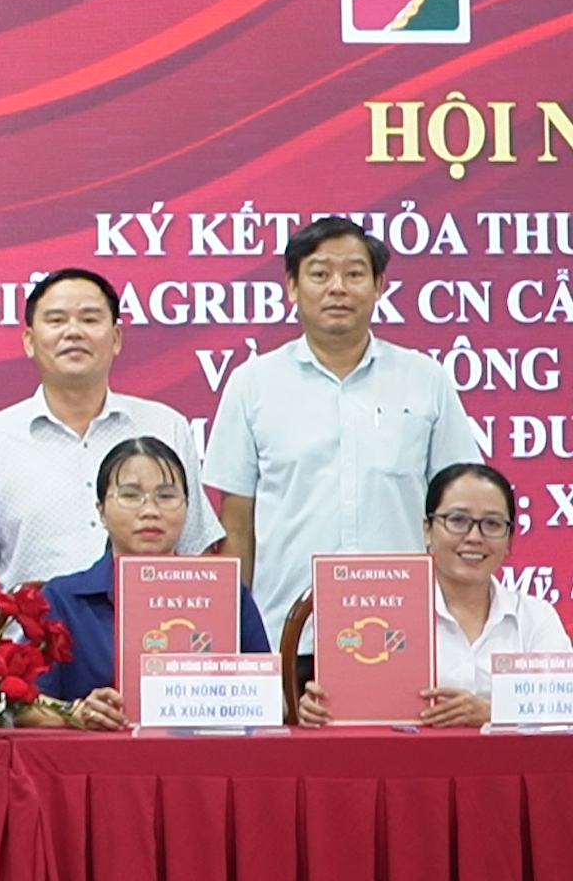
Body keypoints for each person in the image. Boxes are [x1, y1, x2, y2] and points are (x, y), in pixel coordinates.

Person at [205, 217, 482, 646]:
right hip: (286, 633)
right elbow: (237, 526)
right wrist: (235, 637)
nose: (338, 288)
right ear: (292, 287)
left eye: (354, 274)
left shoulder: (425, 379)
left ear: (378, 286)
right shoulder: (252, 384)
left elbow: (459, 508)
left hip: (403, 632)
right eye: (320, 274)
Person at [0, 268, 225, 592]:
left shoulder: (165, 427)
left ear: (116, 339)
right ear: (29, 341)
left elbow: (195, 555)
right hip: (38, 626)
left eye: (90, 319)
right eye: (56, 320)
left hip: (152, 622)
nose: (73, 332)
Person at [16, 436, 268, 732]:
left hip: (203, 754)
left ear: (187, 508)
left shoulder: (226, 593)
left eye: (166, 496)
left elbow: (270, 697)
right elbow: (21, 705)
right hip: (101, 757)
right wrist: (73, 712)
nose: (150, 511)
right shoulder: (62, 600)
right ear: (101, 511)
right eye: (131, 495)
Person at [299, 463, 570, 728]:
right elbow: (355, 710)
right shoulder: (382, 613)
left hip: (509, 758)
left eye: (492, 524)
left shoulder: (536, 617)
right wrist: (321, 709)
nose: (474, 537)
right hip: (407, 757)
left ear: (509, 539)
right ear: (427, 530)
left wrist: (494, 712)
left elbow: (564, 703)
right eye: (458, 520)